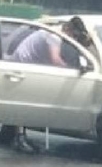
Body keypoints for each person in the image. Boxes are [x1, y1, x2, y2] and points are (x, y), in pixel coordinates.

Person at [12, 16, 96, 152]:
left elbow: (83, 45)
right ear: (68, 29)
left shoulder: (61, 32)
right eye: (74, 35)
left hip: (34, 63)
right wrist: (72, 68)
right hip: (23, 64)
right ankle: (19, 138)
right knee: (26, 102)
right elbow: (56, 59)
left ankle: (23, 137)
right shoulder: (54, 36)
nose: (74, 39)